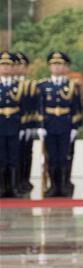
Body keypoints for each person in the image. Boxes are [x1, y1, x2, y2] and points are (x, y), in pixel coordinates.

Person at [37, 51, 82, 198]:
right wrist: (41, 126)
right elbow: (40, 107)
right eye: (54, 64)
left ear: (65, 67)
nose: (57, 68)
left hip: (65, 124)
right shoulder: (43, 86)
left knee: (64, 156)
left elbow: (76, 108)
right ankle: (53, 187)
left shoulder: (71, 85)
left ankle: (63, 186)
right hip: (50, 124)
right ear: (50, 67)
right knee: (52, 157)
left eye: (60, 64)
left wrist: (75, 127)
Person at [0, 51, 24, 197]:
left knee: (14, 156)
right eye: (2, 65)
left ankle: (13, 187)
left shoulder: (19, 86)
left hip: (14, 124)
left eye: (8, 65)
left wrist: (24, 127)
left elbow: (24, 108)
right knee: (1, 156)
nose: (5, 68)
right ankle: (2, 188)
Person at [13, 52, 37, 196]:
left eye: (21, 65)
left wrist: (31, 126)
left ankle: (23, 180)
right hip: (10, 125)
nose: (18, 68)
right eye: (16, 65)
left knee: (25, 154)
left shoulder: (29, 85)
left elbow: (32, 107)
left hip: (26, 125)